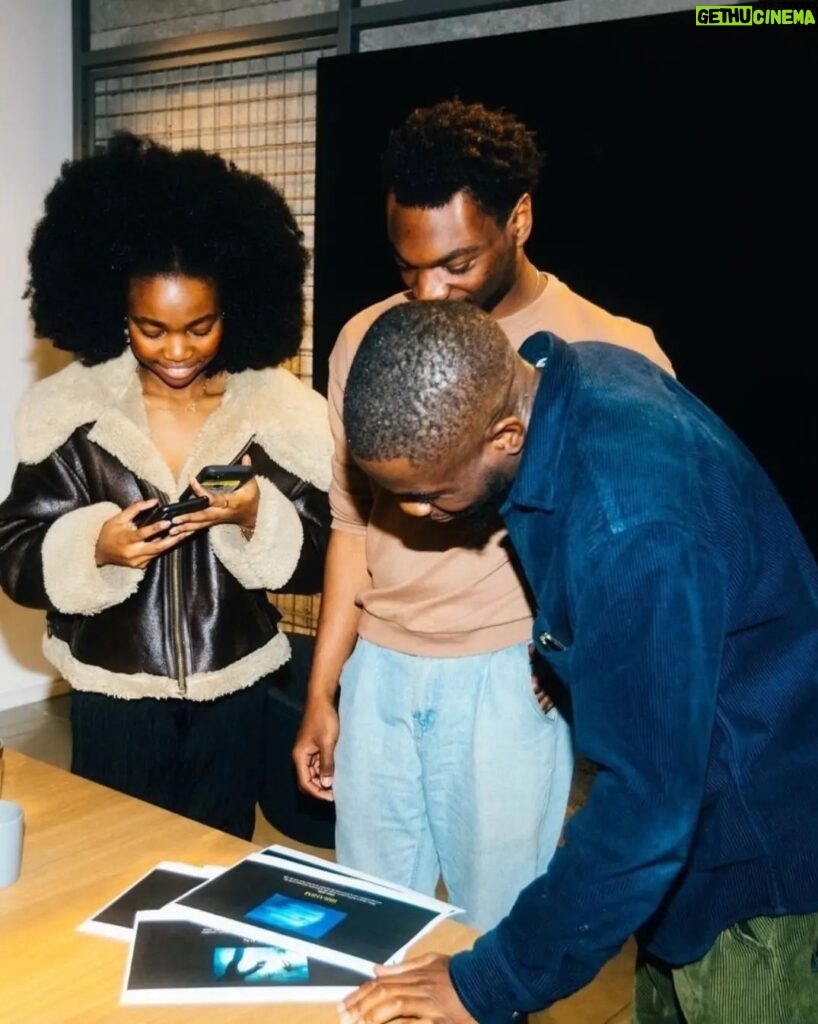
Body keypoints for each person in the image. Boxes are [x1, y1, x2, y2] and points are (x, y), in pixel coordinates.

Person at [337, 299, 818, 1024]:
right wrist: (559, 645)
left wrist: (485, 983)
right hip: (701, 829)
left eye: (428, 495)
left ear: (503, 435)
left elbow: (647, 808)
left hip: (753, 871)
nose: (413, 516)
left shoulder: (629, 527)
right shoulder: (567, 376)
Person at [293, 98, 673, 931]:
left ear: (521, 219)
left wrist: (570, 659)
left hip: (509, 686)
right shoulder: (366, 339)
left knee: (497, 943)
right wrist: (325, 690)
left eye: (457, 264)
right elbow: (352, 530)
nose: (430, 292)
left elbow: (641, 562)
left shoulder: (612, 353)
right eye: (408, 268)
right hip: (380, 674)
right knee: (365, 934)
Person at [0, 133, 332, 840]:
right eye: (151, 328)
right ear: (116, 315)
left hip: (236, 685)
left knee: (218, 864)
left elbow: (324, 554)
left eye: (199, 326)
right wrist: (94, 546)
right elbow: (16, 553)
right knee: (115, 865)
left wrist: (254, 518)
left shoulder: (274, 416)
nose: (177, 350)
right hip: (113, 692)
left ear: (235, 310)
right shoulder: (73, 417)